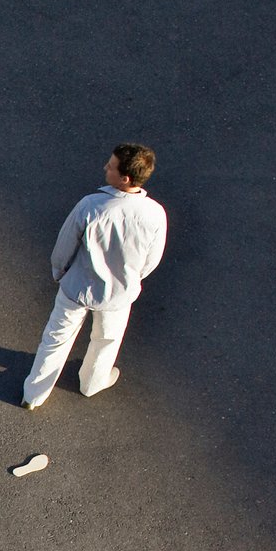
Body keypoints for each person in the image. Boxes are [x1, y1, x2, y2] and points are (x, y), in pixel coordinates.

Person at [22, 144, 166, 409]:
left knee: (56, 339)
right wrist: (131, 279)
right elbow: (151, 260)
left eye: (110, 166)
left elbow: (64, 246)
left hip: (76, 288)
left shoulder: (91, 205)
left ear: (124, 178)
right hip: (118, 295)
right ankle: (91, 383)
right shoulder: (155, 214)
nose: (105, 168)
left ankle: (34, 394)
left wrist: (59, 272)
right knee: (106, 340)